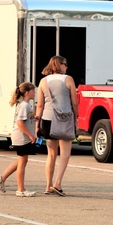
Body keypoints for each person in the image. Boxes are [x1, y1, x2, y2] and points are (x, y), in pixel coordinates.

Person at [36, 55, 77, 196]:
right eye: (65, 64)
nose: (67, 66)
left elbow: (40, 105)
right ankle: (57, 183)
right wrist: (76, 116)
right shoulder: (68, 79)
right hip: (64, 119)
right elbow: (75, 102)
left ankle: (47, 186)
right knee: (65, 153)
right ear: (59, 65)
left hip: (47, 120)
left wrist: (37, 124)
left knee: (51, 154)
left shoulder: (43, 81)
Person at [0, 82, 39, 197]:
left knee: (21, 161)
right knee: (22, 163)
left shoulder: (24, 104)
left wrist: (34, 117)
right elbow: (20, 123)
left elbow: (25, 119)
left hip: (19, 136)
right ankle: (21, 189)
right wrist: (30, 135)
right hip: (21, 137)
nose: (35, 93)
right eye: (33, 91)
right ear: (27, 92)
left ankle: (2, 177)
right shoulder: (24, 105)